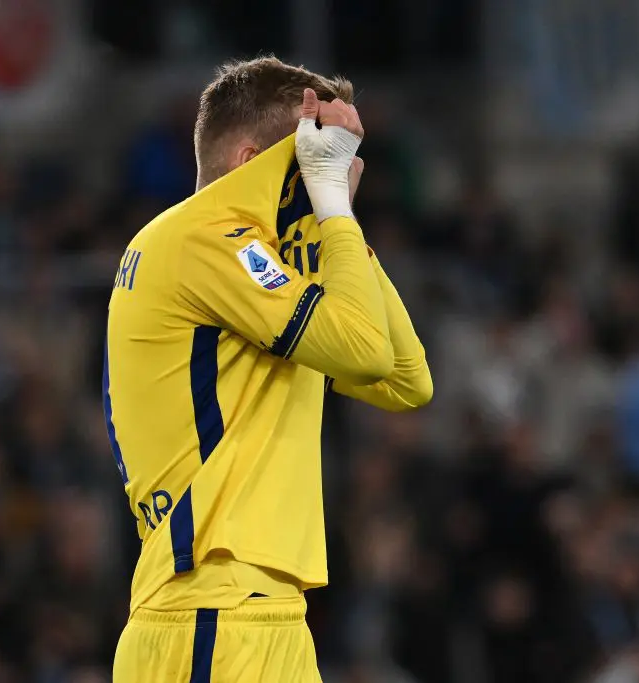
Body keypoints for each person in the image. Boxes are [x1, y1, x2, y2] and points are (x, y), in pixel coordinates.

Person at [106, 57, 433, 683]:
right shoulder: (202, 239)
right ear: (249, 160)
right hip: (212, 612)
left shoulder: (256, 274)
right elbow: (367, 352)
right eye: (310, 160)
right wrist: (335, 215)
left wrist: (339, 226)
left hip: (260, 613)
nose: (322, 177)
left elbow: (406, 378)